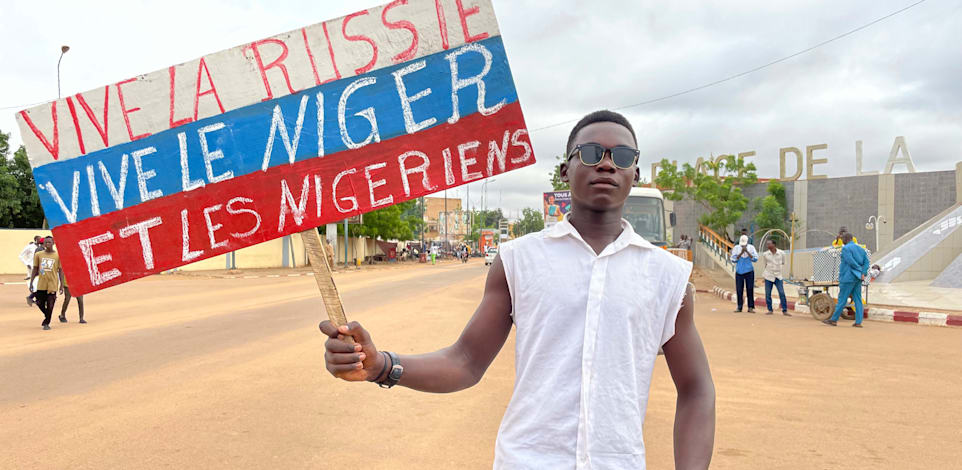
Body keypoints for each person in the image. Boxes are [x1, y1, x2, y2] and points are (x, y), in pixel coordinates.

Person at [320, 110, 715, 468]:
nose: (608, 164)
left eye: (623, 156)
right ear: (565, 169)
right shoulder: (518, 261)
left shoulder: (667, 278)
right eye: (592, 152)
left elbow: (696, 388)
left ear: (636, 173)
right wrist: (382, 366)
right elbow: (465, 361)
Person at [823, 232, 870, 327]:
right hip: (858, 278)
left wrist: (859, 269)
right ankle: (858, 322)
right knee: (858, 299)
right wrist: (862, 273)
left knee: (842, 299)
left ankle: (833, 320)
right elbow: (866, 262)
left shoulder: (845, 248)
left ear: (845, 240)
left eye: (843, 240)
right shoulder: (861, 249)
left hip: (847, 277)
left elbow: (850, 261)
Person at [29, 237, 62, 330]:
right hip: (41, 283)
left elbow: (60, 270)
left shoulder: (58, 256)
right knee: (39, 302)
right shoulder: (38, 255)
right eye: (46, 242)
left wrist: (62, 285)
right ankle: (47, 315)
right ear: (43, 244)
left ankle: (47, 322)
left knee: (51, 304)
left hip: (53, 283)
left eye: (49, 242)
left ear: (53, 243)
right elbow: (35, 268)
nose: (47, 244)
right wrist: (31, 282)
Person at [762, 239, 790, 316]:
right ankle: (770, 310)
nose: (767, 246)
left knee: (781, 293)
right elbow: (765, 264)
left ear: (774, 245)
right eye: (767, 244)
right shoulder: (765, 254)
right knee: (768, 294)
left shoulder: (781, 253)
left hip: (778, 276)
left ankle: (785, 310)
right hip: (768, 276)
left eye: (769, 244)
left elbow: (783, 263)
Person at [730, 235, 758, 313]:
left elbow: (755, 259)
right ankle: (739, 307)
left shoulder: (751, 248)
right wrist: (741, 252)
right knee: (739, 289)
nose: (743, 246)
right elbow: (733, 259)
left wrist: (747, 252)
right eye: (742, 245)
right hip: (739, 271)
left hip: (749, 271)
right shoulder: (736, 248)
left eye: (744, 245)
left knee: (750, 289)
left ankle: (750, 307)